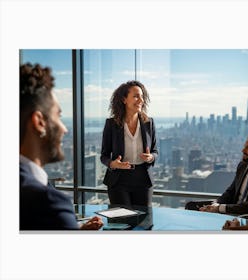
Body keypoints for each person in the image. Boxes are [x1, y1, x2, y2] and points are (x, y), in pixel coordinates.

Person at [20, 63, 103, 230]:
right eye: (58, 116)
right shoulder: (49, 204)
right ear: (39, 122)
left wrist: (75, 228)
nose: (64, 129)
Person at [100, 81, 158, 207]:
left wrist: (151, 157)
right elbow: (104, 155)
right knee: (122, 222)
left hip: (143, 179)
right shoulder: (111, 124)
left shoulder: (149, 123)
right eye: (136, 96)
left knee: (144, 222)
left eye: (142, 96)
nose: (141, 100)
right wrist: (112, 163)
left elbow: (155, 151)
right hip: (118, 180)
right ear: (124, 99)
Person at [198, 134, 248, 215]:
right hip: (231, 213)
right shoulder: (243, 166)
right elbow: (231, 191)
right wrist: (215, 204)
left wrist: (220, 208)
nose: (243, 150)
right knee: (193, 209)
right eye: (245, 146)